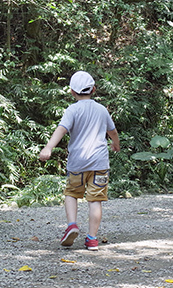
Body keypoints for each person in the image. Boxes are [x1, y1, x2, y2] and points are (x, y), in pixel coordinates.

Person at [39, 70, 120, 251]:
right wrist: (116, 144)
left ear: (71, 92)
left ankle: (72, 225)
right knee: (95, 200)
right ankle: (92, 239)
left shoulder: (72, 110)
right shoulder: (101, 109)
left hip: (78, 163)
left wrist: (48, 147)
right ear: (94, 89)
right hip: (99, 163)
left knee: (72, 193)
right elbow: (112, 131)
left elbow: (62, 129)